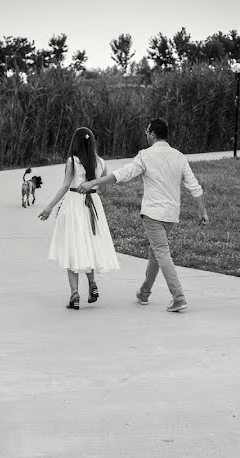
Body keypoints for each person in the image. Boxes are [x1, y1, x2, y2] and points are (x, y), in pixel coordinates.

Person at [78, 118, 208, 313]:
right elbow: (194, 187)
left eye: (147, 132)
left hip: (153, 214)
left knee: (161, 253)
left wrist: (92, 182)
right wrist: (203, 212)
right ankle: (144, 292)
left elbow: (122, 174)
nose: (146, 135)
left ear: (153, 134)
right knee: (155, 252)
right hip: (171, 215)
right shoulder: (179, 157)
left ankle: (178, 297)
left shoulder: (146, 155)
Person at [38, 127, 120, 310]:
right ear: (92, 142)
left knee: (73, 246)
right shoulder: (100, 162)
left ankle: (74, 294)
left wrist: (49, 207)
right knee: (88, 244)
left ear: (75, 142)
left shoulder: (73, 161)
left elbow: (65, 186)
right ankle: (92, 284)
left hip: (74, 204)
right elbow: (104, 187)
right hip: (93, 204)